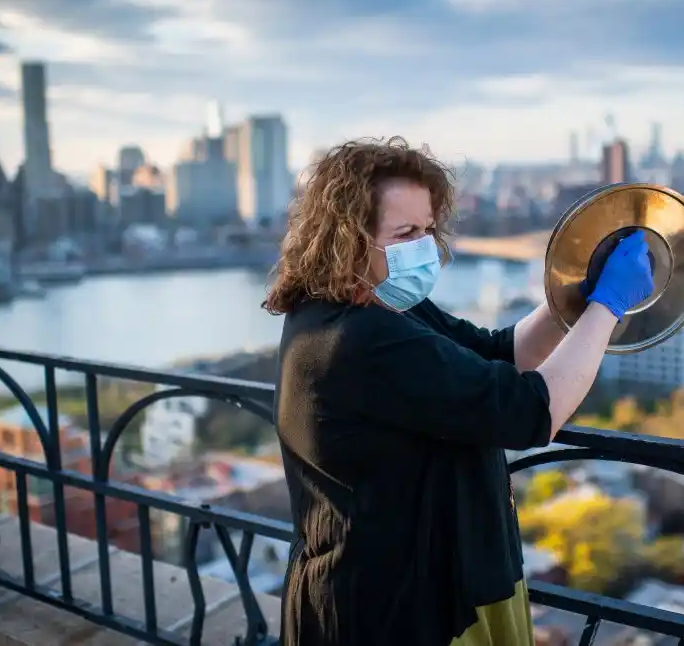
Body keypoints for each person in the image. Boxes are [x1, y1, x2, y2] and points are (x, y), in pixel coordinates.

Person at [263, 137, 654, 646]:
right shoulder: (357, 340)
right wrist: (608, 307)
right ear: (349, 240)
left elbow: (498, 353)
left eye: (426, 230)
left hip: (427, 588)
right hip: (398, 611)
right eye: (405, 233)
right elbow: (532, 411)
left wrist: (575, 297)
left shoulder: (374, 306)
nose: (424, 247)